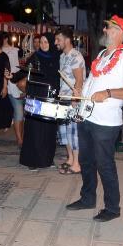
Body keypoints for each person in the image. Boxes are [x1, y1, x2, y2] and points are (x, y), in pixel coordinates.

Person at [65, 15, 123, 222]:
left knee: (104, 165)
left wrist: (107, 93)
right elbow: (92, 81)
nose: (105, 30)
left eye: (110, 28)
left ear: (121, 33)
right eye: (106, 27)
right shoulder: (101, 55)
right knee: (86, 161)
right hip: (87, 116)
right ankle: (88, 198)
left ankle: (113, 208)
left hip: (106, 123)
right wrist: (80, 90)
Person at [19, 32, 61, 171]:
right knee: (35, 129)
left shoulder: (57, 57)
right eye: (41, 42)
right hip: (37, 96)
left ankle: (47, 159)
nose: (43, 45)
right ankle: (32, 160)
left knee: (49, 130)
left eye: (46, 42)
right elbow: (23, 74)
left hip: (51, 97)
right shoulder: (35, 57)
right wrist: (12, 76)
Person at [55, 27, 85, 174]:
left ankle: (77, 164)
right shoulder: (62, 56)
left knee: (73, 133)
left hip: (72, 100)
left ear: (67, 40)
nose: (56, 42)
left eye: (58, 39)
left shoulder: (76, 56)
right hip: (63, 98)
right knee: (64, 132)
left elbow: (79, 80)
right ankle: (70, 159)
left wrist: (75, 99)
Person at [2, 32, 25, 147]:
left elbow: (21, 63)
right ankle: (20, 139)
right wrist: (5, 85)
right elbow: (5, 70)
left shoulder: (15, 50)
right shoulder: (3, 52)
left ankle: (21, 137)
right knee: (19, 113)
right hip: (11, 83)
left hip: (19, 81)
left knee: (20, 114)